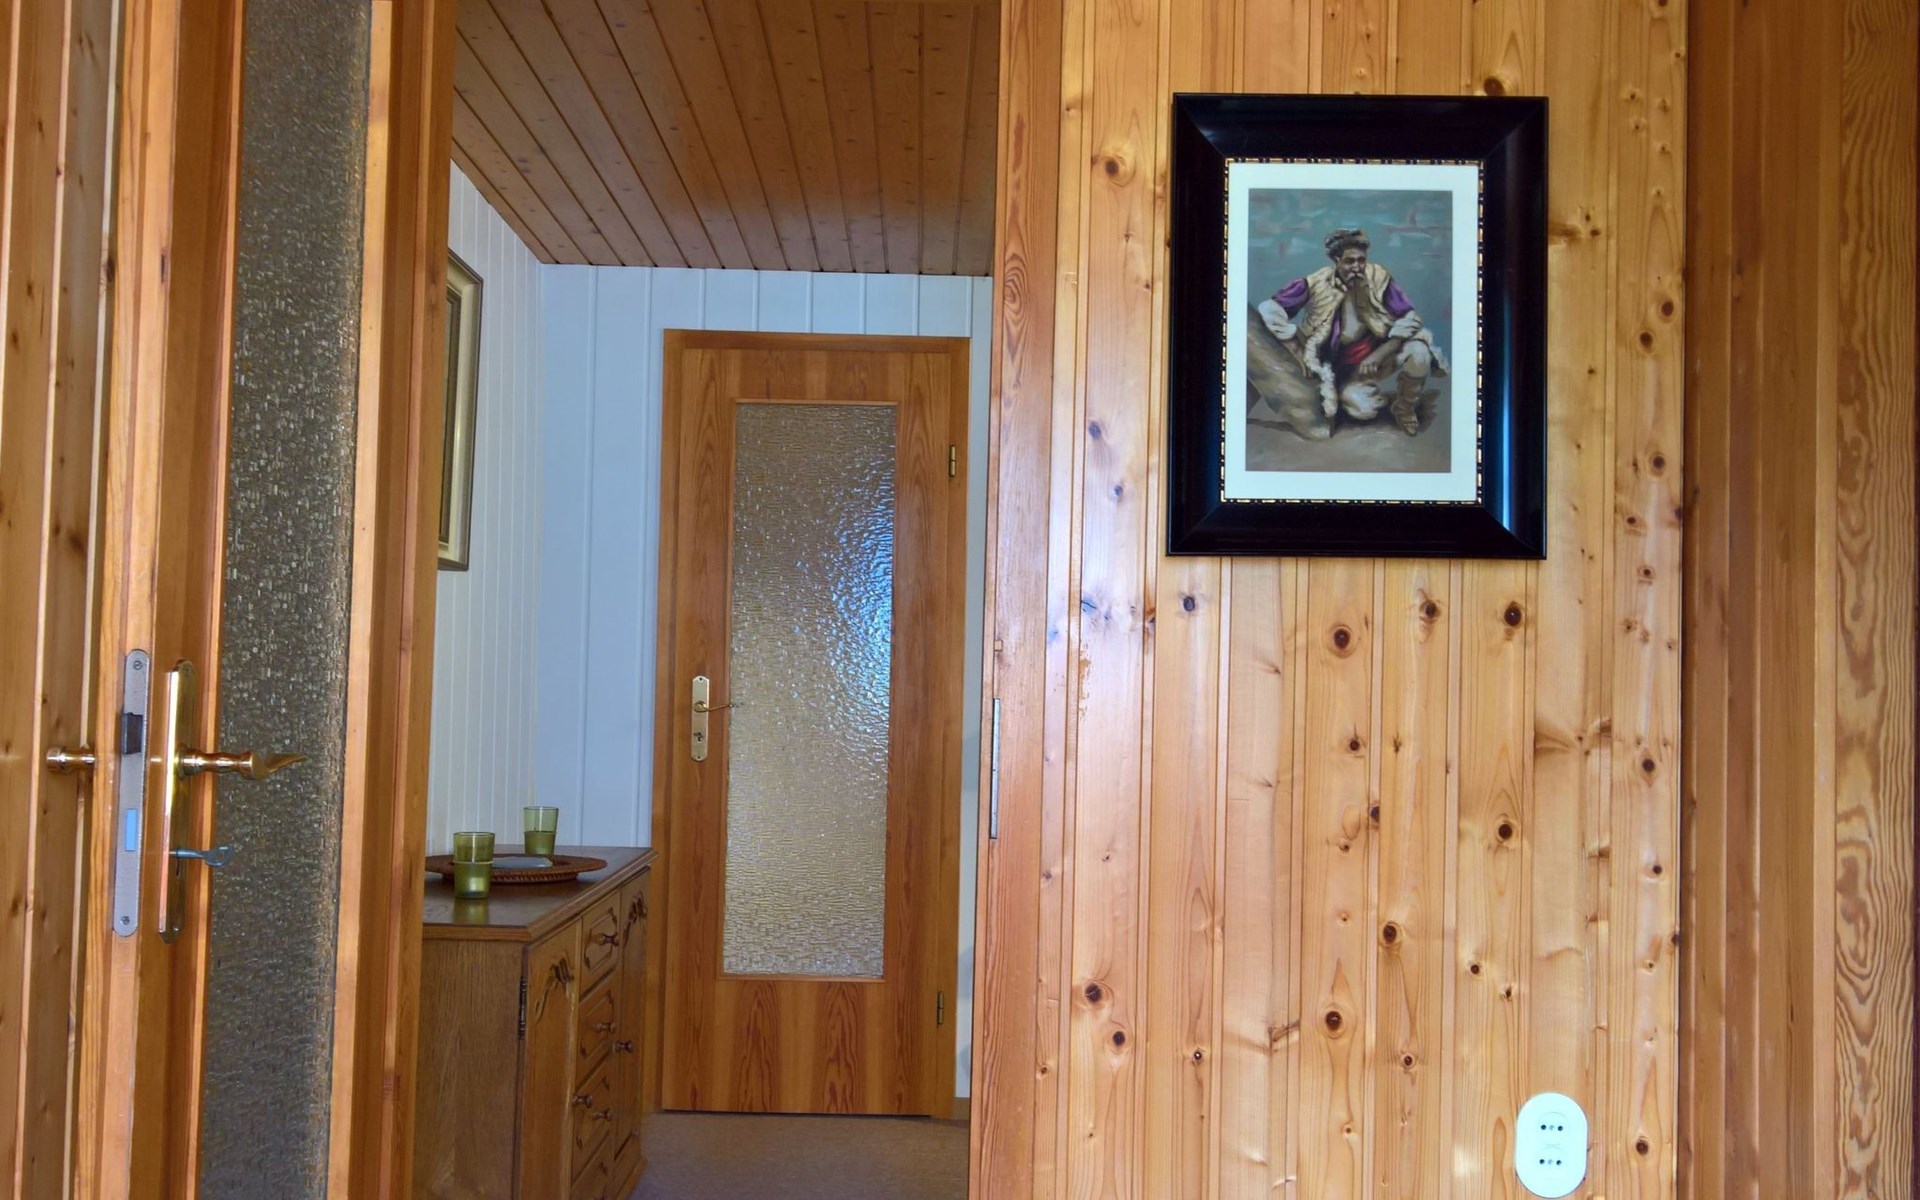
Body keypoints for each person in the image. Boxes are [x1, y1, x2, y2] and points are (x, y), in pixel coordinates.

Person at [1256, 227, 1446, 435]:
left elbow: (1409, 316)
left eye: (1361, 260)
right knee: (1365, 410)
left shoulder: (1378, 277)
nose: (1357, 267)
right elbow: (1270, 309)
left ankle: (1405, 408)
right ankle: (1343, 396)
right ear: (1336, 260)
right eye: (1349, 261)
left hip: (1380, 359)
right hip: (1341, 371)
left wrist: (1380, 353)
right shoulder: (1316, 283)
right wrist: (1295, 347)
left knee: (1419, 352)